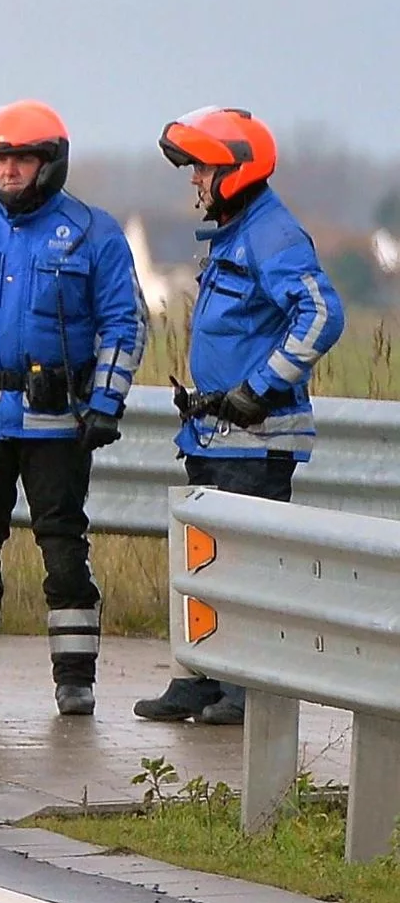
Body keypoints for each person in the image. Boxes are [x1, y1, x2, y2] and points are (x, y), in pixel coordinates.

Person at [0, 102, 143, 718]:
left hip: (58, 424)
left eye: (22, 158)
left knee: (63, 547)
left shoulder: (93, 233)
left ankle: (75, 679)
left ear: (50, 163)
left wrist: (105, 401)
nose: (10, 170)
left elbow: (124, 325)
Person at [136, 107, 342, 727]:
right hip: (212, 435)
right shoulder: (234, 231)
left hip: (255, 438)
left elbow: (323, 315)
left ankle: (246, 690)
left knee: (246, 568)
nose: (194, 179)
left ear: (233, 170)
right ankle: (200, 679)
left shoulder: (272, 234)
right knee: (205, 563)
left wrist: (261, 387)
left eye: (201, 167)